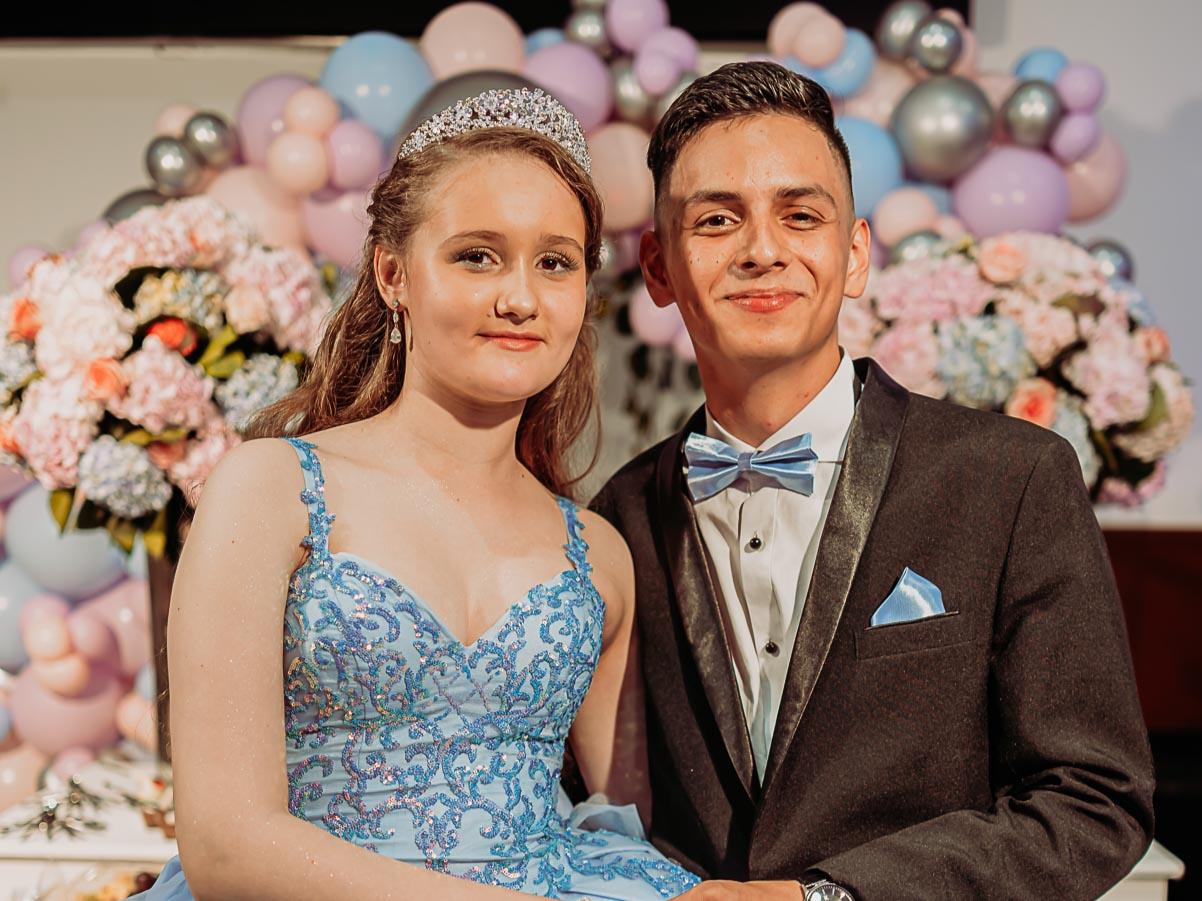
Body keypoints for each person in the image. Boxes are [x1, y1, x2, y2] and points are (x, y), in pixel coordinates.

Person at [591, 62, 1155, 901]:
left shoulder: (1010, 479)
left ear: (854, 254)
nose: (762, 250)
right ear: (659, 266)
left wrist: (829, 896)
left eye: (800, 215)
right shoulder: (620, 515)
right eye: (716, 219)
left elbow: (1094, 799)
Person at [134, 89, 699, 901]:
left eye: (554, 262)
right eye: (477, 256)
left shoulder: (599, 555)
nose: (520, 298)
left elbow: (628, 820)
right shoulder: (270, 490)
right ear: (393, 273)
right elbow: (226, 846)